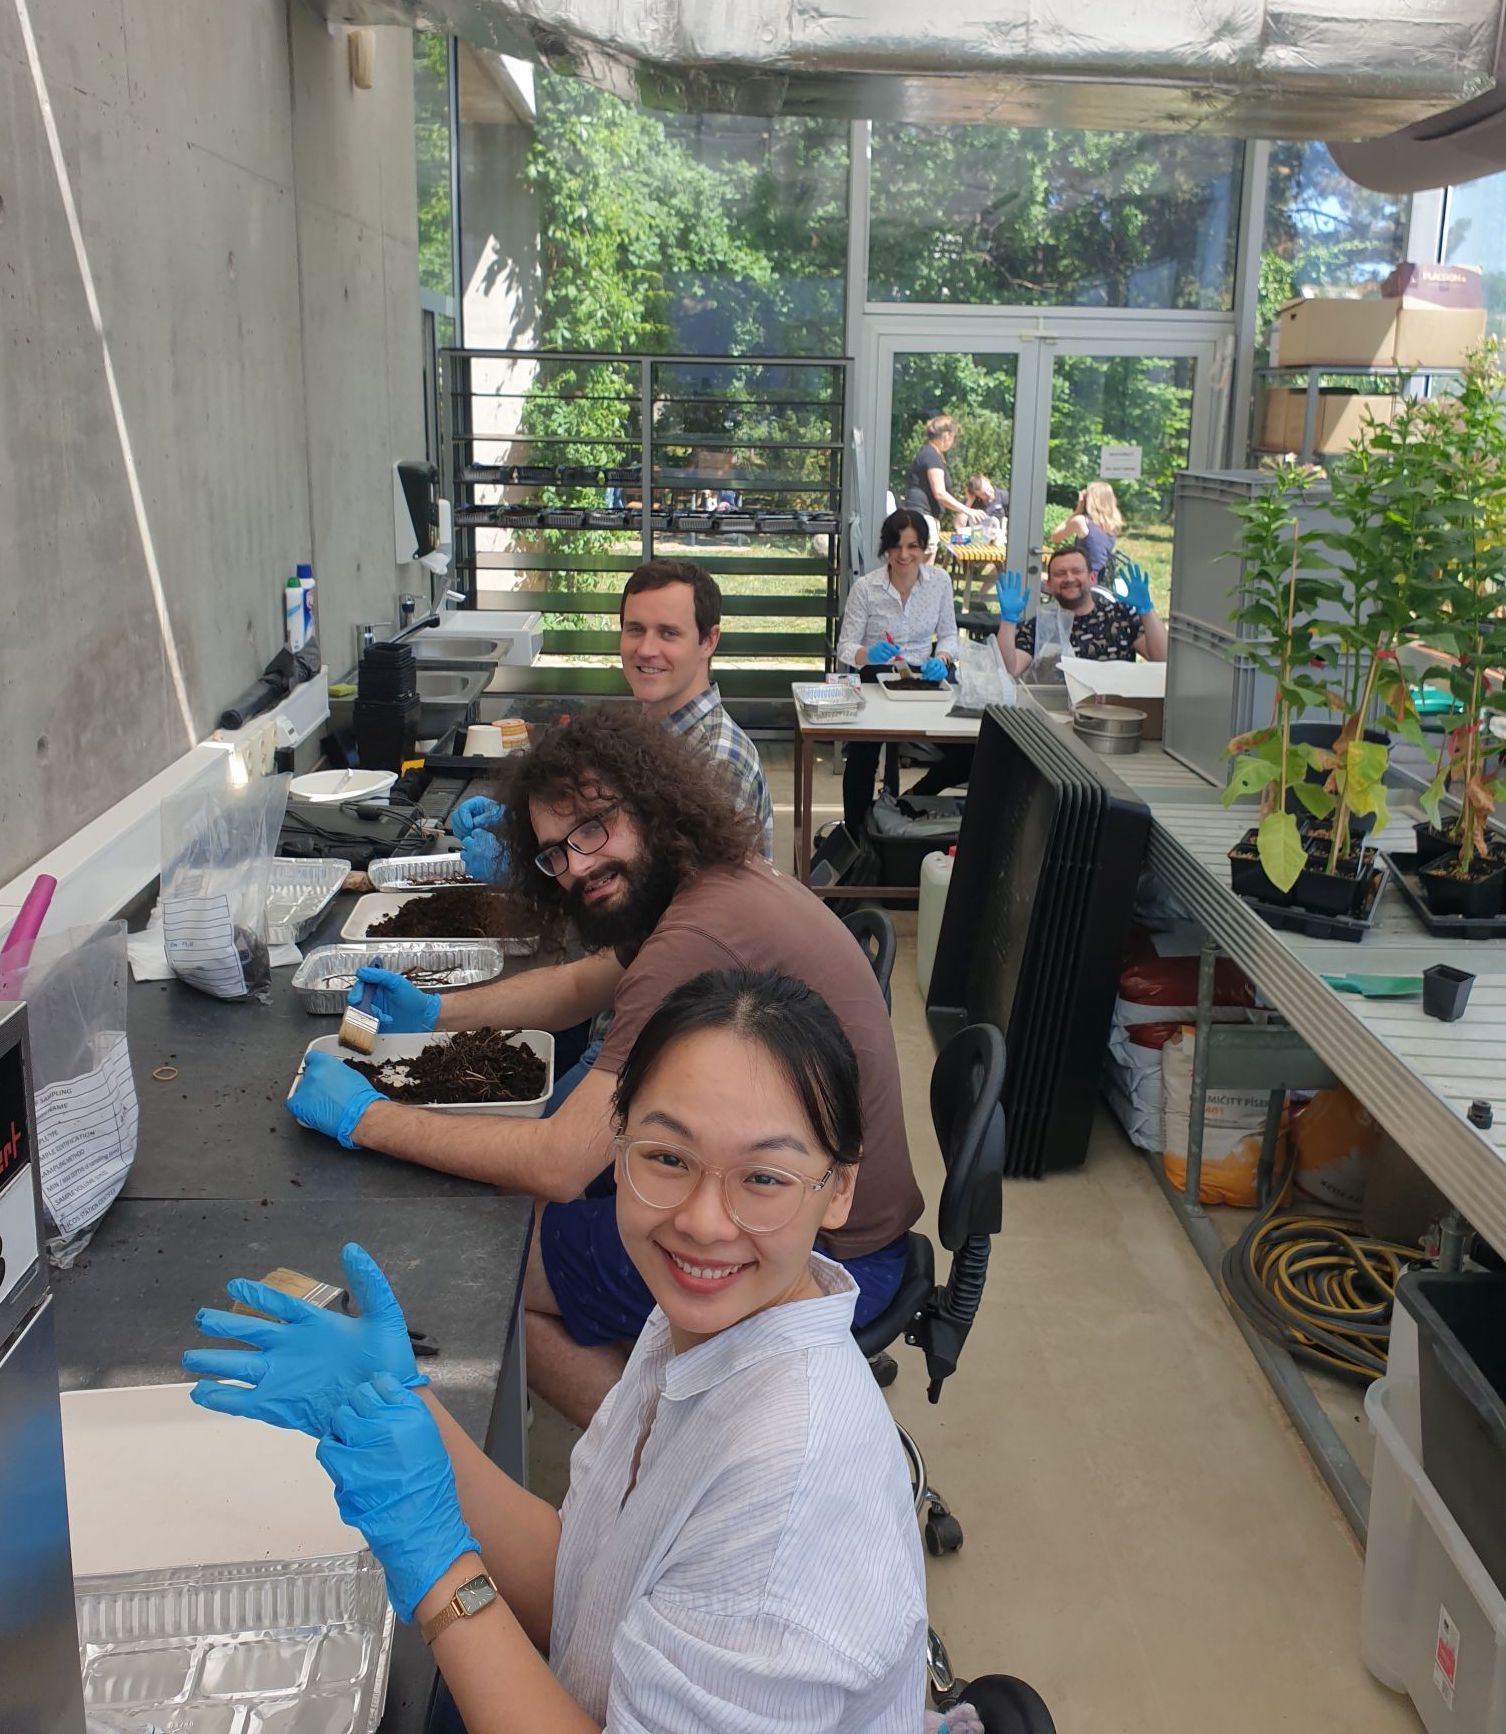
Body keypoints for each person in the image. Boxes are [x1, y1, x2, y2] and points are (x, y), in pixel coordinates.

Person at [187, 969, 929, 1732]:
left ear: (838, 1188)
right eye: (667, 1158)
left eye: (764, 1177)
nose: (704, 1222)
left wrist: (444, 1573)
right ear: (618, 1144)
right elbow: (587, 1583)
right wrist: (407, 1406)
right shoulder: (703, 1325)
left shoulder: (793, 1489)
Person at [287, 710, 923, 1427]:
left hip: (827, 1259)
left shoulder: (697, 931)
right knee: (538, 1210)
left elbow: (558, 1162)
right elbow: (580, 984)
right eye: (555, 853)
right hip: (809, 1214)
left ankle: (664, 1458)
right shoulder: (708, 879)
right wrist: (436, 1014)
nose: (578, 865)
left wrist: (367, 1118)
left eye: (592, 828)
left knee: (482, 1268)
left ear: (649, 804)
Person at [453, 560, 773, 877]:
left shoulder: (717, 760)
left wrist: (526, 871)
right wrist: (523, 823)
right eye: (635, 629)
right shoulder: (652, 732)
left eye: (668, 633)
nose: (646, 649)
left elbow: (689, 898)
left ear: (709, 641)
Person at [835, 508, 968, 833]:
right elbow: (845, 647)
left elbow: (950, 634)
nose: (904, 555)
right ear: (886, 548)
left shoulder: (939, 582)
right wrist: (869, 653)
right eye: (897, 546)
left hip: (927, 675)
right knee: (863, 755)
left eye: (913, 546)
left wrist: (945, 658)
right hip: (877, 676)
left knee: (968, 751)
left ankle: (910, 799)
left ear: (924, 548)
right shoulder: (867, 588)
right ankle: (857, 835)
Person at [994, 547, 1167, 680]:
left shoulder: (1121, 616)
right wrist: (1008, 620)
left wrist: (1147, 611)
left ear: (1092, 578)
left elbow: (1162, 659)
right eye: (1060, 574)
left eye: (1077, 571)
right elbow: (1010, 669)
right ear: (1049, 584)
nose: (1069, 578)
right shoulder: (1040, 626)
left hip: (1116, 711)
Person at [903, 415, 980, 540]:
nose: (953, 442)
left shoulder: (929, 453)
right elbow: (940, 493)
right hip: (922, 518)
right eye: (953, 437)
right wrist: (968, 510)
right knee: (923, 559)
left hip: (922, 517)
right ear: (946, 436)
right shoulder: (931, 456)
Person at [1047, 481, 1123, 581]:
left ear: (1089, 500)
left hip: (1082, 580)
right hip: (1100, 578)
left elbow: (1055, 537)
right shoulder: (1113, 525)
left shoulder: (1081, 522)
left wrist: (1077, 511)